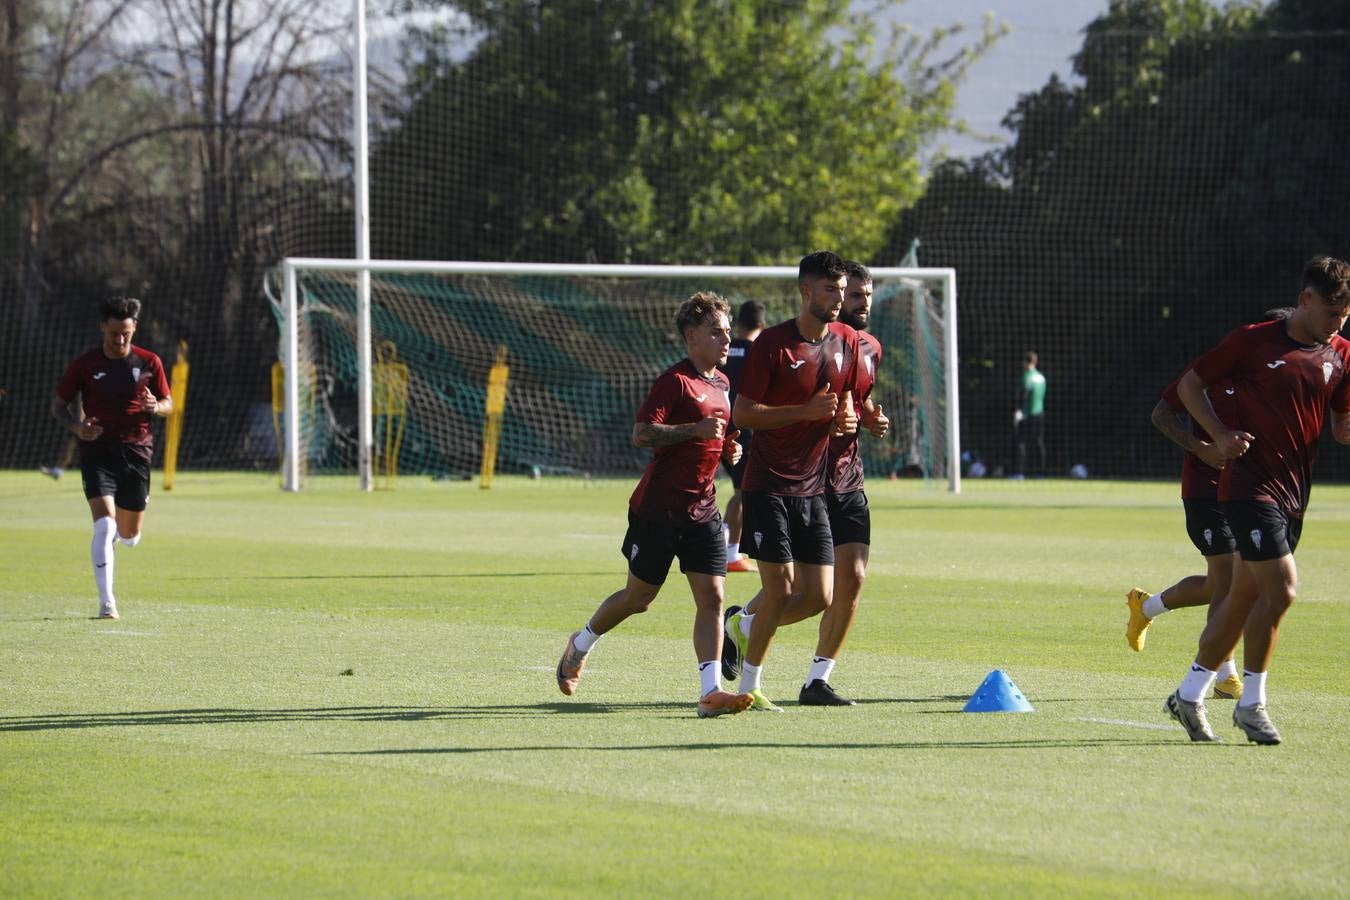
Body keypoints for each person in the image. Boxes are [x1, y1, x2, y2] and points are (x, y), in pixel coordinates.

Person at [1164, 257, 1350, 744]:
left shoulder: (1342, 354)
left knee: (1245, 598)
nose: (1337, 325)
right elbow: (1188, 386)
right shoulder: (1252, 340)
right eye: (1331, 314)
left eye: (1345, 317)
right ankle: (1252, 704)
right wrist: (1219, 436)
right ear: (1306, 299)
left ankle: (1187, 695)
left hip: (1294, 495)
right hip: (1248, 488)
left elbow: (1341, 425)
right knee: (1283, 589)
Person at [555, 291, 753, 718]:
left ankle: (709, 691)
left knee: (713, 596)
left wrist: (725, 449)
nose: (725, 340)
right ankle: (581, 643)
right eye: (716, 332)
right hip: (659, 509)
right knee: (639, 597)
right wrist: (695, 429)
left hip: (703, 509)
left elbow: (712, 436)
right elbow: (643, 433)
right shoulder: (675, 381)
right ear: (691, 336)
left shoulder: (723, 383)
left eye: (727, 331)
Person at [722, 259, 888, 706]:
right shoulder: (775, 344)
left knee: (843, 582)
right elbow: (746, 412)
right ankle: (747, 661)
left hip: (842, 478)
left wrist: (861, 415)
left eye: (857, 294)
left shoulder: (860, 345)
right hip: (785, 481)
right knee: (783, 589)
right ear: (810, 292)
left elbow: (853, 399)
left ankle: (816, 679)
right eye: (845, 293)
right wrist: (812, 414)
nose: (854, 302)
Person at [1126, 308, 1295, 697]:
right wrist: (1201, 448)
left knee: (1223, 584)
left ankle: (1145, 607)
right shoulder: (1213, 370)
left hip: (1251, 493)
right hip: (1205, 490)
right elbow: (1161, 413)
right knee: (1229, 579)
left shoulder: (1279, 383)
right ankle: (1225, 675)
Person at [51, 296, 173, 620]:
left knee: (129, 537)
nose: (119, 340)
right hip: (97, 452)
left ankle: (125, 535)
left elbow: (169, 403)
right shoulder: (84, 365)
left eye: (126, 334)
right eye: (114, 334)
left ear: (134, 330)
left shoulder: (150, 362)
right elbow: (58, 405)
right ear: (102, 327)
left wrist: (155, 407)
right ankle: (107, 603)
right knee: (104, 525)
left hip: (136, 452)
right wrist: (78, 427)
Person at [718, 300, 766, 573]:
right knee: (744, 493)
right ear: (761, 325)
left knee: (742, 491)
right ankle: (729, 552)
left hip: (721, 428)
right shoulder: (756, 351)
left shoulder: (723, 350)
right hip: (744, 431)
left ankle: (726, 547)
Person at [1012, 351, 1046, 478]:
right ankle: (1040, 473)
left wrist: (1019, 411)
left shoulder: (1027, 377)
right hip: (1040, 413)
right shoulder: (1041, 377)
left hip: (1027, 414)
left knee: (1021, 442)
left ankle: (1019, 473)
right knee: (1038, 443)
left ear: (1027, 362)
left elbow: (1024, 396)